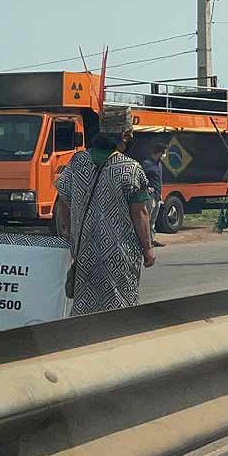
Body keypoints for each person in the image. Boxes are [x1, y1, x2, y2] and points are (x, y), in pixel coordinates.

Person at [56, 128, 155, 316]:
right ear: (122, 139)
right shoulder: (130, 168)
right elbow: (140, 212)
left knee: (84, 309)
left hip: (84, 252)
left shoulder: (77, 162)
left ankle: (86, 344)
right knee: (120, 309)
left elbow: (63, 200)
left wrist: (71, 233)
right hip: (119, 254)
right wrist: (147, 248)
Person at [141, 142, 167, 247]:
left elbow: (158, 180)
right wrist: (147, 187)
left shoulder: (159, 164)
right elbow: (141, 178)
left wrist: (160, 194)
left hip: (157, 195)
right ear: (159, 152)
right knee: (147, 218)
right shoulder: (147, 164)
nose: (165, 155)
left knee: (153, 220)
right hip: (149, 196)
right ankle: (145, 241)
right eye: (164, 153)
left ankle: (151, 239)